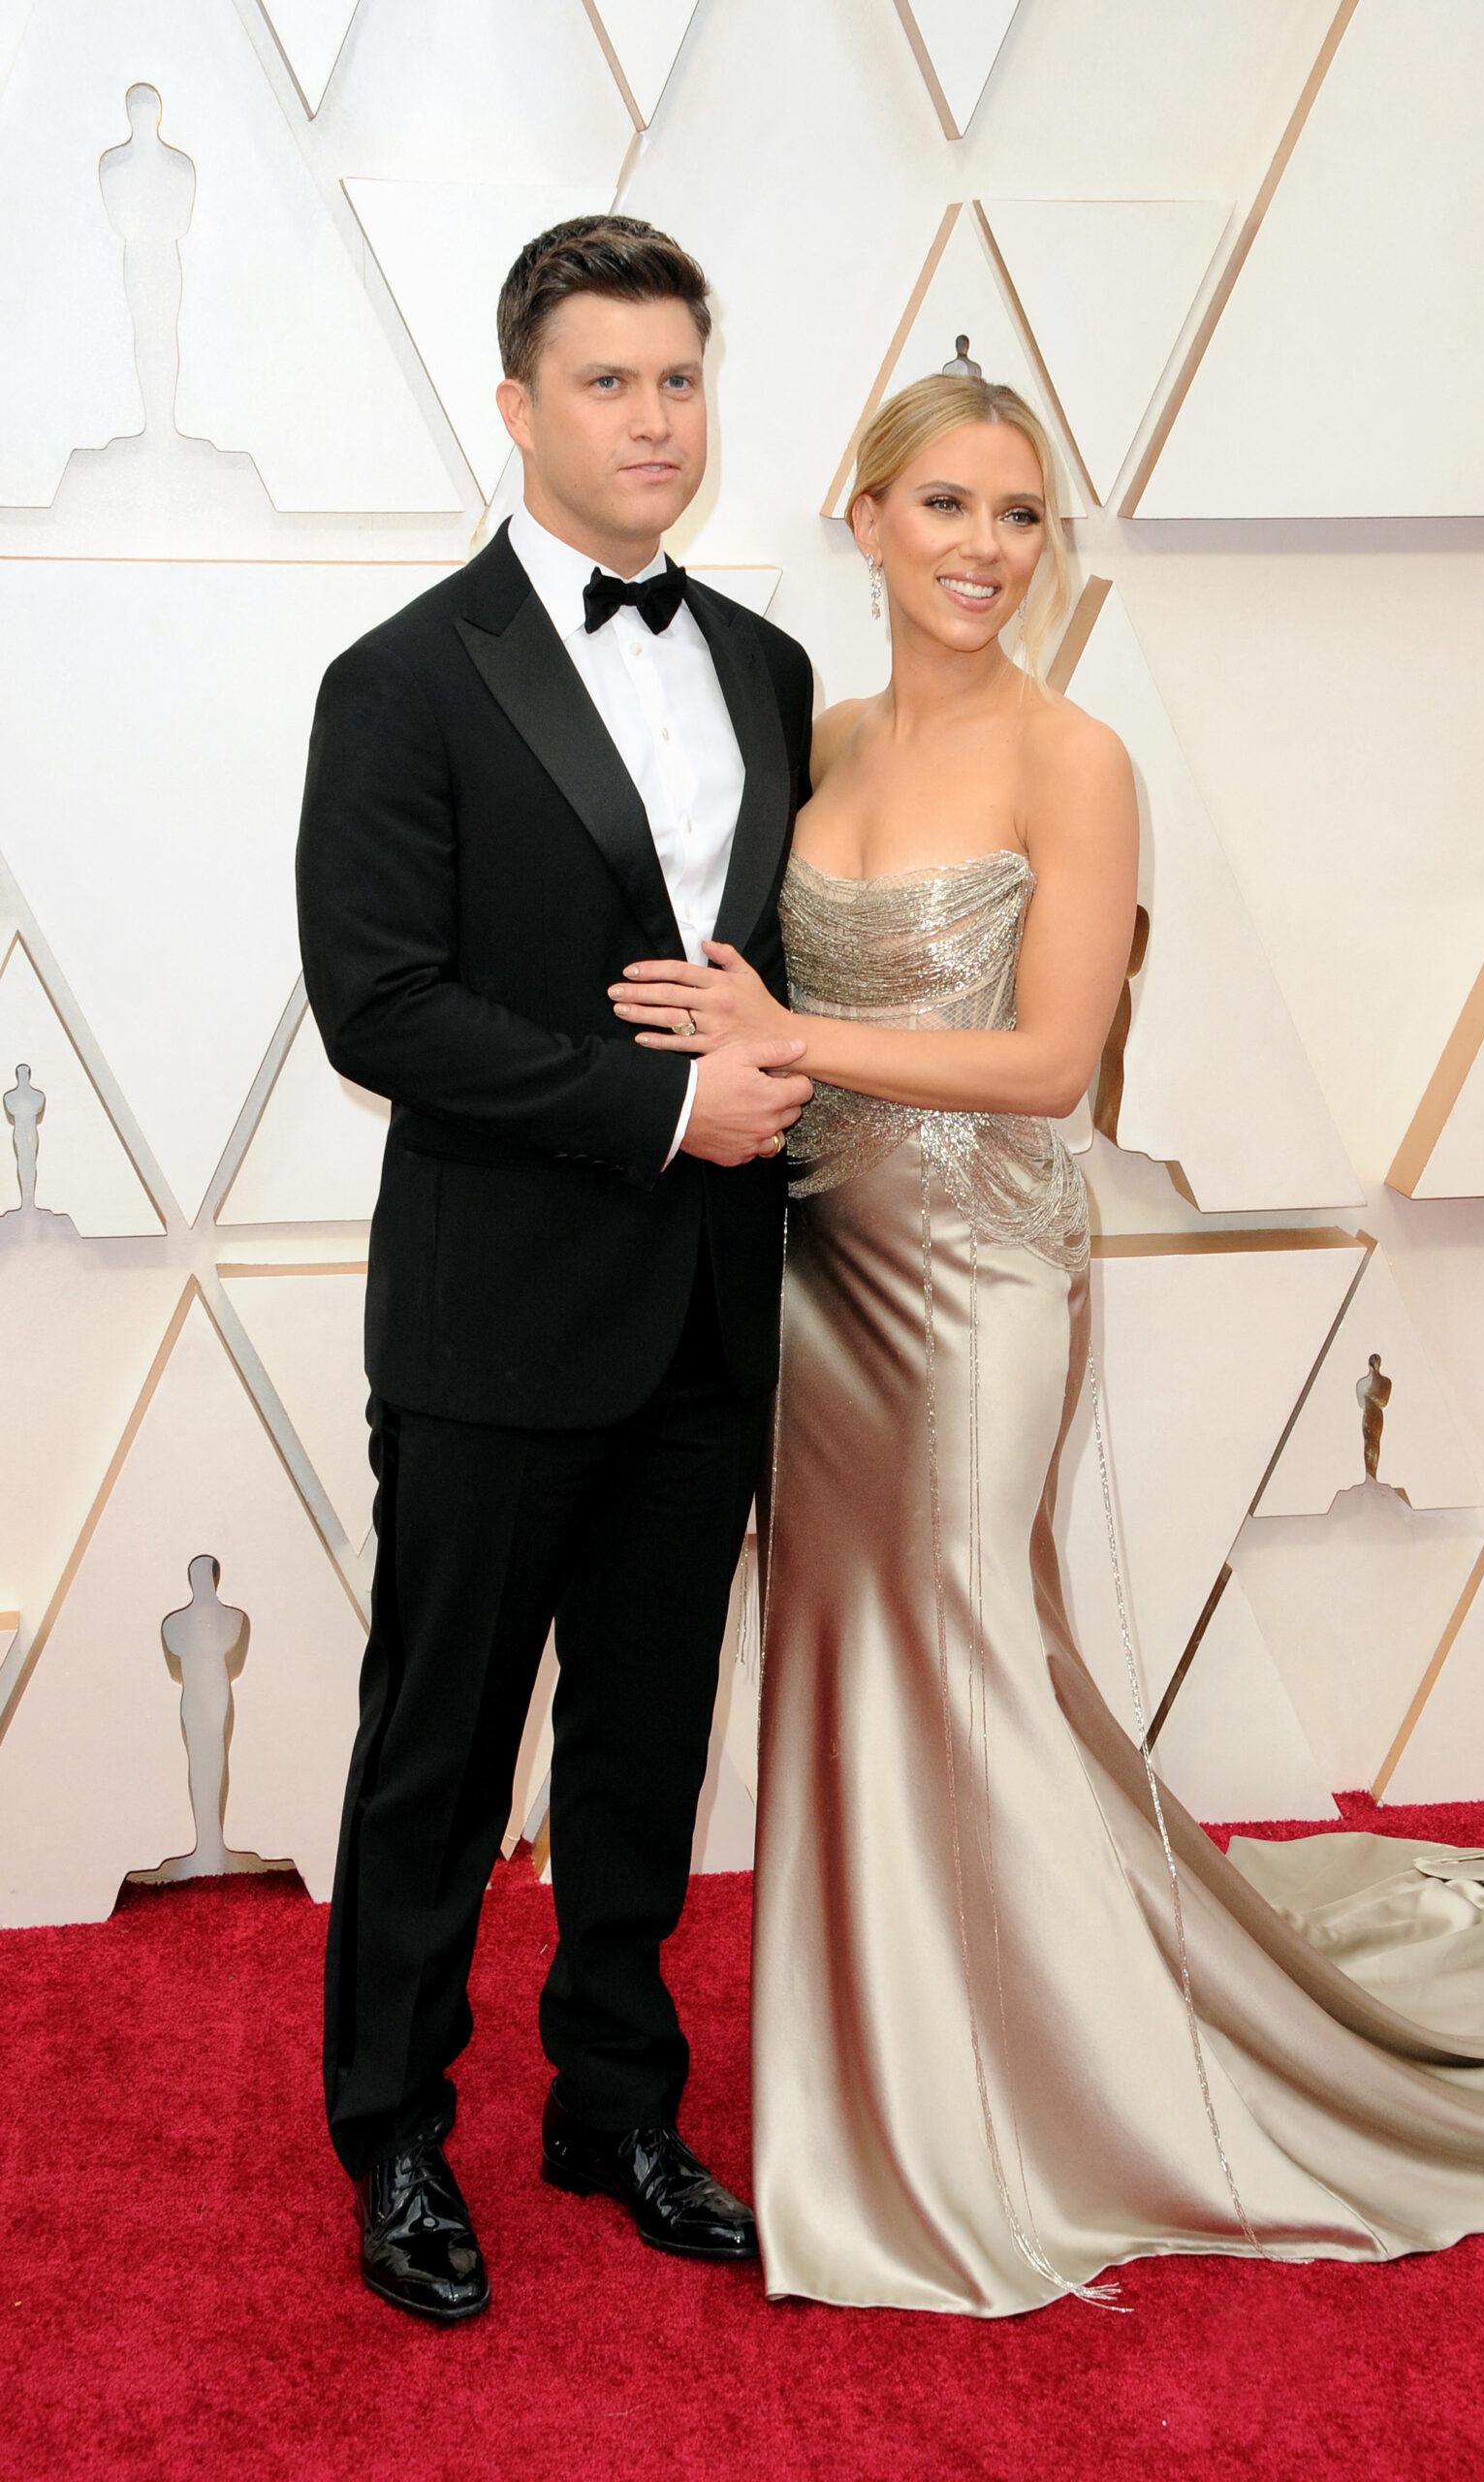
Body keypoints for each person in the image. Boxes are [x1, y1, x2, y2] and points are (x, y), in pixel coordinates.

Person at [611, 372, 1484, 2316]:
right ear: (860, 517)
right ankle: (906, 2074)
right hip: (816, 1278)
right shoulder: (818, 735)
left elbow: (1047, 1065)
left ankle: (1051, 2103)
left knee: (961, 1654)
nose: (983, 548)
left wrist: (787, 1032)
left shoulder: (1070, 757)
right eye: (943, 503)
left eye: (1022, 514)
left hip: (976, 1284)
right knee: (868, 1671)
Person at [297, 215, 814, 2322]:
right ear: (516, 408)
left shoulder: (772, 670)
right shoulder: (405, 677)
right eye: (607, 381)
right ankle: (394, 2134)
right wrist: (664, 1108)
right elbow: (378, 1005)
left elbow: (776, 974)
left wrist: (778, 1061)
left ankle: (613, 2101)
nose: (653, 419)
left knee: (643, 1740)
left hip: (711, 1312)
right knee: (438, 1747)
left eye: (678, 377)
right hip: (497, 1317)